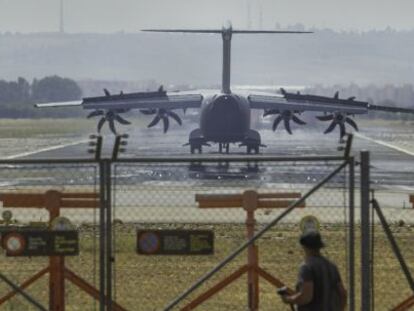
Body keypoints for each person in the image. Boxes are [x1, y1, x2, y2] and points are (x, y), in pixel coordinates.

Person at [279, 231, 347, 311]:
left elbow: (306, 297)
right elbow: (343, 294)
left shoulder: (306, 267)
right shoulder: (332, 266)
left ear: (304, 246)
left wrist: (288, 299)